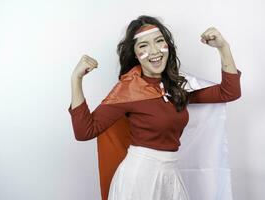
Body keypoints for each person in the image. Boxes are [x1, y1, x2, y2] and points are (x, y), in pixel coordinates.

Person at [68, 15, 241, 200]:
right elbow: (84, 131)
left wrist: (223, 47)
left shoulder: (177, 86)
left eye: (159, 41)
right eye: (143, 45)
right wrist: (76, 79)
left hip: (171, 175)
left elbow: (229, 92)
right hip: (139, 180)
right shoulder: (129, 89)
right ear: (135, 54)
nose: (154, 51)